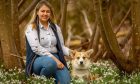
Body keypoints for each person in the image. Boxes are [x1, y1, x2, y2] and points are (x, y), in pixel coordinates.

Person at [25, 0, 71, 84]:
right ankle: (40, 81)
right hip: (38, 59)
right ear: (37, 12)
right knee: (50, 64)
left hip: (56, 57)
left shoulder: (55, 27)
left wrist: (72, 53)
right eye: (42, 11)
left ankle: (51, 76)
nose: (45, 14)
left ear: (50, 13)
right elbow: (37, 48)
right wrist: (55, 60)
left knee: (66, 82)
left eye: (48, 12)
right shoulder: (31, 27)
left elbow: (61, 46)